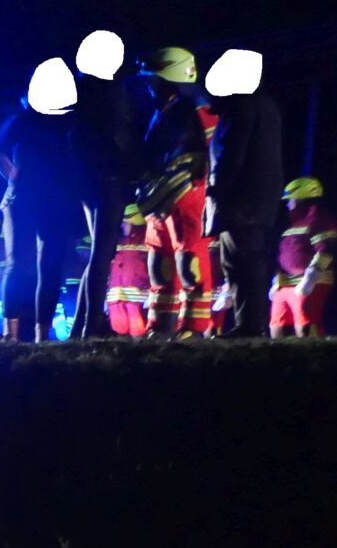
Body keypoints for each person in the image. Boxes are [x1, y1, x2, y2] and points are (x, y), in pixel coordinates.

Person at [0, 58, 86, 341]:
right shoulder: (27, 119)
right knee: (32, 266)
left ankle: (29, 334)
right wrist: (14, 177)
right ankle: (24, 334)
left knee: (33, 266)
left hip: (44, 199)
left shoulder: (55, 120)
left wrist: (13, 177)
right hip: (34, 199)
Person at [71, 29, 149, 340]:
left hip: (87, 177)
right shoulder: (111, 90)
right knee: (103, 252)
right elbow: (120, 134)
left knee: (98, 253)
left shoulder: (80, 89)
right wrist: (139, 168)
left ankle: (82, 323)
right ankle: (92, 324)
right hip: (110, 177)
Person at [203, 48, 285, 339]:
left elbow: (231, 151)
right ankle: (250, 324)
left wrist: (218, 188)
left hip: (240, 197)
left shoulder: (241, 106)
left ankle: (249, 325)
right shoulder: (265, 105)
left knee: (241, 261)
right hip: (258, 196)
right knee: (247, 260)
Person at [142, 46, 217, 337]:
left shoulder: (198, 108)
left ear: (170, 78)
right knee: (158, 264)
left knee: (189, 262)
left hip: (188, 195)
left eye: (153, 79)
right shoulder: (162, 111)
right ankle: (160, 326)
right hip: (159, 198)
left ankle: (193, 328)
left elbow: (215, 153)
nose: (149, 85)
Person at [272, 176, 337, 337]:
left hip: (309, 283)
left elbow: (326, 250)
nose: (288, 205)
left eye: (291, 200)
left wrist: (310, 277)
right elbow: (283, 256)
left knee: (305, 325)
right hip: (285, 284)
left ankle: (312, 351)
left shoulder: (319, 220)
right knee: (276, 326)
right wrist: (276, 280)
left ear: (302, 199)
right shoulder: (292, 225)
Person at [104, 202, 155, 338]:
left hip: (138, 299)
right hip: (116, 299)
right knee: (119, 337)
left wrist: (152, 293)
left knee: (139, 338)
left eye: (125, 222)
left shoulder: (148, 239)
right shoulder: (117, 240)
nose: (121, 225)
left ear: (134, 221)